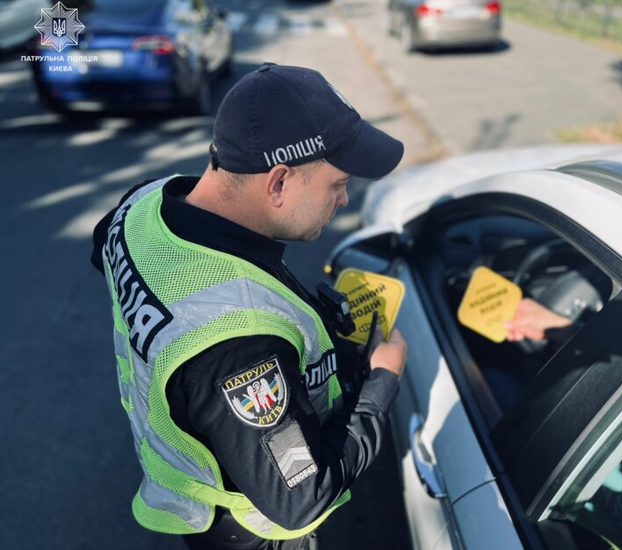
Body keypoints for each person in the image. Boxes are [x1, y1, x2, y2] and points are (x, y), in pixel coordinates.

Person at [90, 63, 408, 550]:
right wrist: (381, 383)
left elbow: (104, 250)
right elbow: (302, 499)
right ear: (278, 183)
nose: (345, 200)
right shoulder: (242, 348)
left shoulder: (140, 206)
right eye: (338, 183)